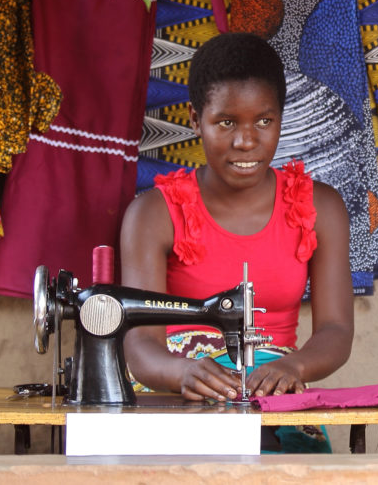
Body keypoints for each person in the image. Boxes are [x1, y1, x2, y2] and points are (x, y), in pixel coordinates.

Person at [120, 32, 354, 404]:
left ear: (280, 118)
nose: (246, 141)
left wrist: (296, 367)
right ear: (197, 121)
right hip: (180, 391)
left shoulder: (320, 208)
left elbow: (336, 329)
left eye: (263, 121)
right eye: (226, 123)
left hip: (273, 390)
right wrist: (181, 371)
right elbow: (141, 345)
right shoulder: (153, 214)